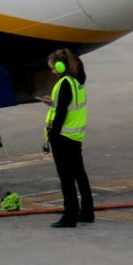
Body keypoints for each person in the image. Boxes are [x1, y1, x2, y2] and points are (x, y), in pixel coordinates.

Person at [42, 48, 94, 228]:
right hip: (75, 136)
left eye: (53, 67)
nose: (52, 71)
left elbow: (62, 112)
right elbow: (67, 105)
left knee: (66, 178)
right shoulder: (76, 82)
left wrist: (52, 134)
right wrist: (53, 102)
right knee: (80, 174)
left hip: (62, 137)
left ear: (60, 66)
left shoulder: (64, 83)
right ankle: (87, 212)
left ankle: (69, 215)